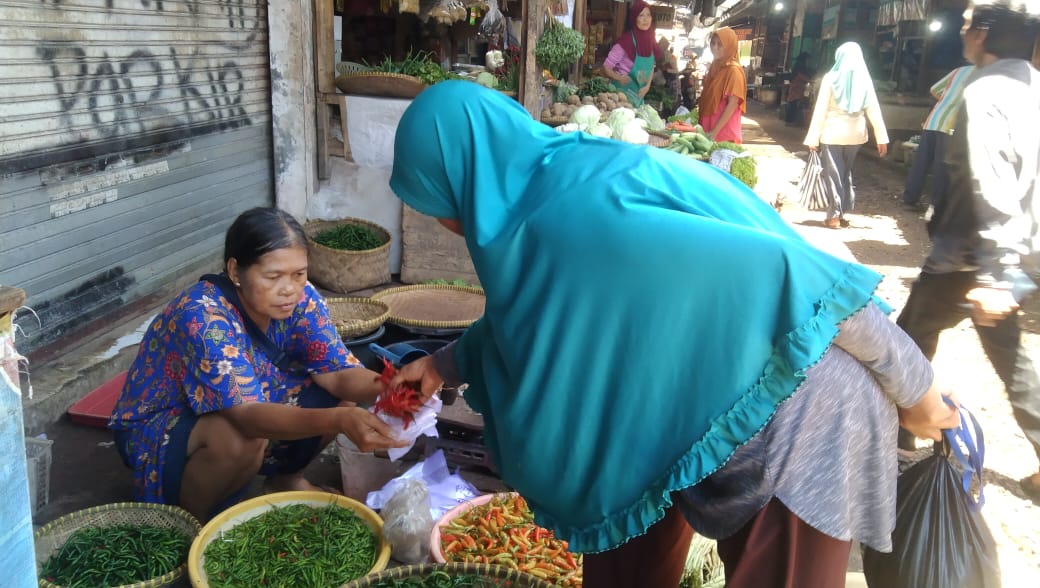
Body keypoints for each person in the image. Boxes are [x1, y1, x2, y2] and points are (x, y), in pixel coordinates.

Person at [386, 80, 959, 587]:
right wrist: (440, 367)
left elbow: (799, 281)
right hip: (680, 411)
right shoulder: (541, 195)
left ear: (464, 173)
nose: (443, 220)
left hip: (796, 411)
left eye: (439, 197)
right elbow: (543, 319)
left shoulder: (581, 212)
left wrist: (919, 392)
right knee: (624, 552)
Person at [109, 207, 406, 522]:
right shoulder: (202, 317)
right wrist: (340, 420)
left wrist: (394, 387)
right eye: (273, 276)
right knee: (241, 439)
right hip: (165, 421)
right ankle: (185, 526)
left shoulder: (301, 298)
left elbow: (336, 371)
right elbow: (248, 416)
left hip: (244, 400)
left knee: (339, 396)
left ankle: (286, 479)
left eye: (299, 273)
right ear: (235, 272)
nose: (289, 288)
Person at [895, 0, 1040, 505]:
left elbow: (990, 179)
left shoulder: (987, 92)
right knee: (1011, 359)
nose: (959, 28)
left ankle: (894, 438)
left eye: (966, 23)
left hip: (971, 257)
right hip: (1011, 253)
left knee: (905, 342)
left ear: (984, 35)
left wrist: (996, 273)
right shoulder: (1031, 88)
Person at [804, 42, 889, 229]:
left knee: (834, 174)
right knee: (845, 173)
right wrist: (881, 137)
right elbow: (874, 110)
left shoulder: (830, 78)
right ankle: (842, 211)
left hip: (833, 131)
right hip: (856, 133)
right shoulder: (865, 79)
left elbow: (820, 110)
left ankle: (834, 216)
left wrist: (813, 139)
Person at [900, 65, 974, 211]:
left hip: (933, 121)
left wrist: (947, 101)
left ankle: (909, 199)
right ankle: (937, 206)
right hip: (950, 126)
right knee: (942, 167)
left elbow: (934, 89)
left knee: (921, 163)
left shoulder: (959, 71)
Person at [601, 0, 666, 106]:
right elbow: (606, 67)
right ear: (634, 18)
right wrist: (619, 78)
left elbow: (651, 67)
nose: (646, 19)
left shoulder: (651, 41)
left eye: (648, 15)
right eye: (641, 15)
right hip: (619, 97)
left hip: (639, 96)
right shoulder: (625, 41)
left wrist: (647, 86)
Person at [698, 27, 747, 143]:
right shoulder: (715, 66)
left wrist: (714, 132)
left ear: (729, 46)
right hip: (709, 130)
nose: (715, 48)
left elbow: (732, 105)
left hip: (723, 134)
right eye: (713, 43)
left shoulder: (733, 71)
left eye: (720, 44)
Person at [783, 52, 815, 126]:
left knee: (793, 103)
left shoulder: (799, 65)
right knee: (793, 104)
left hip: (796, 87)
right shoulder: (800, 66)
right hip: (796, 87)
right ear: (805, 59)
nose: (809, 61)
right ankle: (789, 121)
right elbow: (800, 75)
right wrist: (810, 80)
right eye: (808, 60)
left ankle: (789, 121)